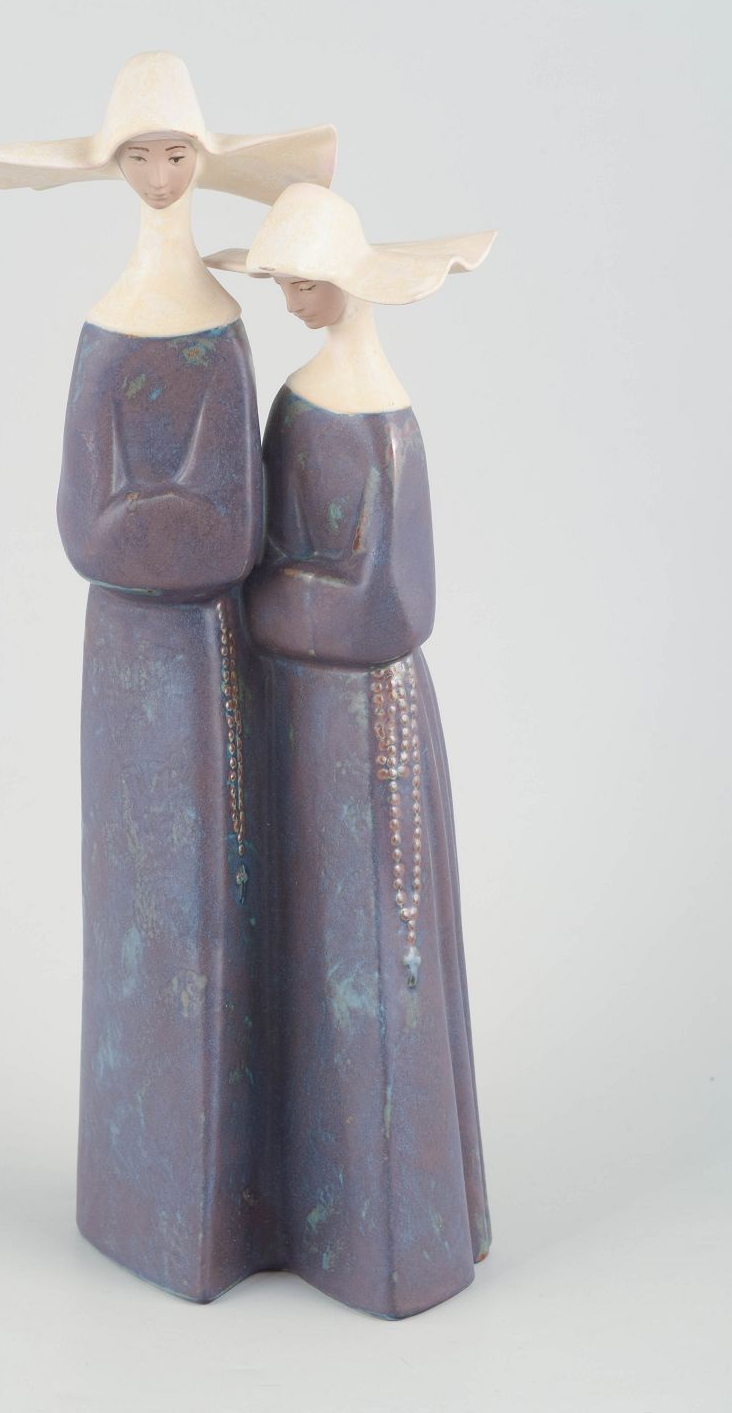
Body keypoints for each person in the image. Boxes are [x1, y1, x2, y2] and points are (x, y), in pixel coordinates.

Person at [0, 54, 336, 1301]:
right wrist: (157, 523)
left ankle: (221, 1215)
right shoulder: (105, 333)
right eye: (141, 154)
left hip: (205, 649)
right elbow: (84, 525)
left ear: (201, 160)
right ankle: (141, 1203)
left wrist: (156, 520)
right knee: (139, 919)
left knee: (215, 909)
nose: (164, 173)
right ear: (116, 167)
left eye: (180, 153)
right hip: (125, 657)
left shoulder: (223, 336)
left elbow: (232, 529)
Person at [205, 183, 495, 1317]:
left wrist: (273, 597)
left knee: (373, 951)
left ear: (349, 283)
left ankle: (385, 1234)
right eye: (280, 283)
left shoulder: (385, 427)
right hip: (293, 715)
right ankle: (301, 1202)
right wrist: (277, 591)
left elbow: (392, 606)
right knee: (302, 944)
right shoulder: (293, 404)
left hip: (365, 727)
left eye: (303, 282)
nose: (289, 299)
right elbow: (266, 551)